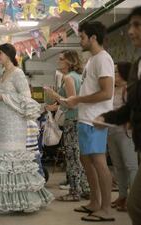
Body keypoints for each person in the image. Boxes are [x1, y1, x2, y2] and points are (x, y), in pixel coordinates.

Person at [0, 43, 53, 213]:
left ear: (9, 55)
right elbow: (5, 95)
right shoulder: (3, 74)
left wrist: (2, 97)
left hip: (14, 122)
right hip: (3, 122)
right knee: (2, 159)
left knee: (14, 158)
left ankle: (19, 200)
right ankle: (4, 200)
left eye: (0, 54)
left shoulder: (18, 73)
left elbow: (26, 97)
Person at [62, 21, 115, 222]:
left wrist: (78, 99)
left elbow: (106, 93)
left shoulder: (103, 59)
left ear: (93, 37)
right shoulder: (92, 60)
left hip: (96, 119)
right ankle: (95, 201)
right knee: (86, 160)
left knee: (99, 161)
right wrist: (76, 101)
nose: (80, 40)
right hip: (85, 117)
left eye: (82, 36)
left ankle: (106, 209)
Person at [97, 7, 141, 224]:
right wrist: (106, 118)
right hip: (122, 133)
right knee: (135, 206)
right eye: (130, 25)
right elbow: (131, 106)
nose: (131, 31)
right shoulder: (138, 66)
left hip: (126, 134)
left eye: (137, 25)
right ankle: (123, 196)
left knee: (136, 204)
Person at [44, 50, 90, 202]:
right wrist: (56, 107)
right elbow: (71, 102)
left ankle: (74, 191)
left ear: (69, 62)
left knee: (72, 158)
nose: (58, 61)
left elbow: (71, 103)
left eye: (61, 59)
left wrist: (54, 95)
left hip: (73, 121)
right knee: (79, 156)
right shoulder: (78, 77)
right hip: (80, 119)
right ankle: (85, 188)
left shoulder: (69, 78)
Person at [107, 62, 137, 212]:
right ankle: (122, 195)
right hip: (111, 132)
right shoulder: (112, 90)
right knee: (118, 166)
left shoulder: (129, 90)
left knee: (130, 166)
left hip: (125, 133)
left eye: (117, 72)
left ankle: (133, 199)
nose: (114, 75)